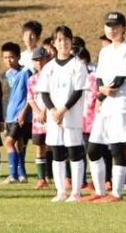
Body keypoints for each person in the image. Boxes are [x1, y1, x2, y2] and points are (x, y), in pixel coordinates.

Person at [38, 26, 89, 202]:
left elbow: (78, 91)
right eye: (59, 40)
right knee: (57, 152)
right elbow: (44, 92)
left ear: (71, 41)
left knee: (74, 152)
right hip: (54, 118)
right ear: (53, 43)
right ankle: (61, 191)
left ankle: (76, 191)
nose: (63, 43)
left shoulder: (78, 65)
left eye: (66, 39)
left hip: (71, 115)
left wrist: (63, 109)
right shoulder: (48, 67)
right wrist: (53, 110)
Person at [90, 13, 126, 202]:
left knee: (117, 147)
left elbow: (120, 78)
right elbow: (100, 76)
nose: (112, 29)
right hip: (106, 105)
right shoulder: (105, 51)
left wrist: (104, 91)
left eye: (116, 26)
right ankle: (100, 191)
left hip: (120, 104)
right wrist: (101, 92)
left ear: (124, 27)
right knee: (93, 148)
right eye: (108, 26)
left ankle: (116, 192)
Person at [1, 42, 31, 184]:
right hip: (10, 115)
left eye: (11, 57)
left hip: (20, 115)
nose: (9, 60)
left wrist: (24, 112)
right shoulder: (7, 74)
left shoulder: (25, 72)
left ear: (18, 57)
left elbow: (31, 95)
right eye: (6, 57)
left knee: (8, 142)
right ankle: (22, 174)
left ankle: (12, 175)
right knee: (18, 144)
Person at [25, 47, 52, 188]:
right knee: (39, 146)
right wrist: (38, 112)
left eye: (42, 59)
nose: (39, 62)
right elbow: (30, 98)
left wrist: (46, 112)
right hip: (38, 120)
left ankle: (66, 177)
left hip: (52, 116)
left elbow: (54, 97)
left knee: (56, 146)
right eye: (36, 60)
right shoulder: (31, 80)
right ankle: (42, 178)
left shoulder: (53, 76)